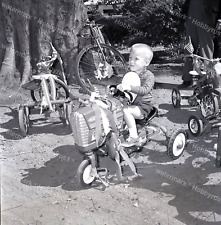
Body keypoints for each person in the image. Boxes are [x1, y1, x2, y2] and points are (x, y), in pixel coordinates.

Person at [116, 43, 154, 147]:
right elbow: (124, 85)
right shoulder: (130, 73)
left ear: (146, 62)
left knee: (125, 110)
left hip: (143, 107)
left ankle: (134, 136)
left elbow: (145, 90)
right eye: (130, 58)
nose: (131, 62)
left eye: (136, 59)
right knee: (115, 107)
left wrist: (130, 87)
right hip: (131, 103)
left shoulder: (149, 76)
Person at [179, 0, 221, 88]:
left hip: (207, 18)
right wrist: (184, 16)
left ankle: (207, 79)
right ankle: (187, 79)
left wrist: (220, 19)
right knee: (189, 48)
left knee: (206, 49)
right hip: (191, 15)